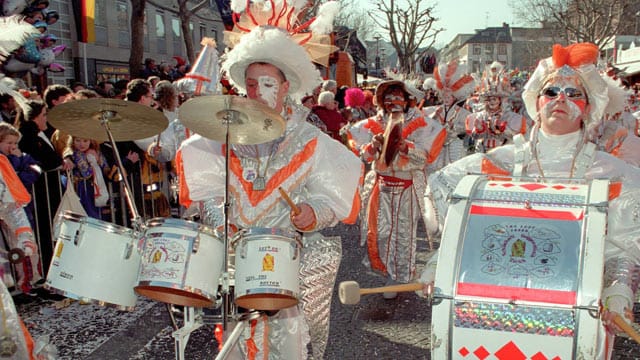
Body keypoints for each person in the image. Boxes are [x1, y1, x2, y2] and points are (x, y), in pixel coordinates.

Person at [420, 43, 640, 359]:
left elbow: (626, 243)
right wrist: (441, 261)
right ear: (536, 102)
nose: (561, 98)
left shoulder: (613, 173)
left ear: (589, 108)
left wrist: (619, 289)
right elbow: (447, 196)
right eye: (551, 91)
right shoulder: (499, 162)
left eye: (572, 94)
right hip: (494, 311)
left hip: (577, 318)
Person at [177, 2, 361, 358]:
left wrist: (312, 212)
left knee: (286, 345)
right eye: (250, 84)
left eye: (267, 84)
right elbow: (209, 197)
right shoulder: (223, 134)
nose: (258, 93)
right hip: (235, 265)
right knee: (237, 344)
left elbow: (329, 200)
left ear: (285, 85)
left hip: (288, 266)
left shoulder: (310, 140)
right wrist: (226, 221)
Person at [346, 79, 445, 298]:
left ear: (408, 100)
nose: (393, 101)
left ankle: (399, 278)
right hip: (380, 186)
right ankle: (385, 271)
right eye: (388, 98)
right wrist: (373, 146)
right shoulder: (371, 124)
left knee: (403, 235)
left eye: (398, 96)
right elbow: (364, 155)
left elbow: (425, 159)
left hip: (406, 186)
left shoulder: (423, 124)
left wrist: (405, 147)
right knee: (379, 232)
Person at [0, 122, 43, 295]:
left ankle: (34, 278)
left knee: (27, 244)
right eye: (8, 143)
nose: (12, 147)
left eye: (15, 143)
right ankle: (25, 283)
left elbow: (35, 169)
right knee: (18, 247)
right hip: (8, 208)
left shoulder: (19, 158)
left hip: (17, 206)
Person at [66, 136, 109, 219]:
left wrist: (97, 159)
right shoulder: (74, 154)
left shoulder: (97, 152)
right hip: (81, 189)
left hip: (96, 188)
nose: (82, 144)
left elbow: (107, 169)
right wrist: (91, 161)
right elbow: (86, 172)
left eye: (85, 141)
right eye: (78, 141)